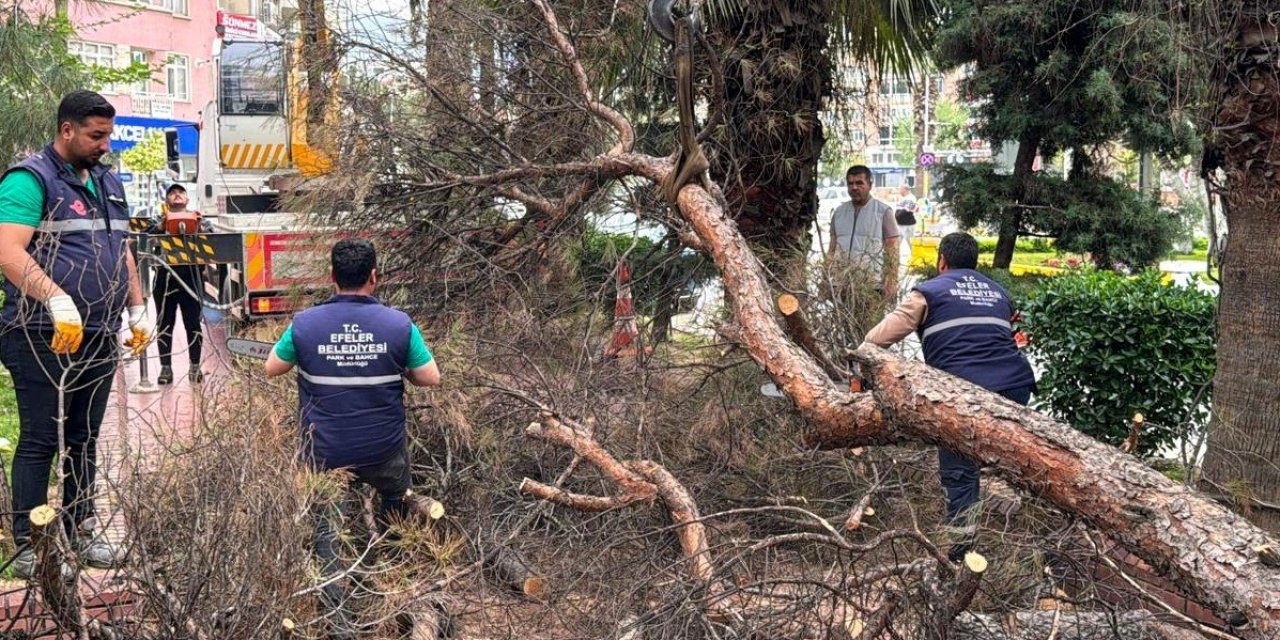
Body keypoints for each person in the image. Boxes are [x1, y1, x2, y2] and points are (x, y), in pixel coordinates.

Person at [0, 90, 153, 578]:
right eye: (96, 135)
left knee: (84, 437)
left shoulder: (107, 180)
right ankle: (27, 545)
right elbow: (7, 251)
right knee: (42, 438)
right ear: (67, 130)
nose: (105, 144)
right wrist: (56, 298)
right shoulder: (30, 180)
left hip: (100, 334)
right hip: (41, 332)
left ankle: (81, 527)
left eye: (107, 134)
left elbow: (119, 247)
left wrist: (137, 306)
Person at [264, 238, 440, 639]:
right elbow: (432, 377)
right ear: (374, 277)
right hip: (383, 450)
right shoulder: (399, 324)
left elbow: (273, 367)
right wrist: (402, 369)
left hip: (325, 454)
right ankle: (394, 580)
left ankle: (339, 624)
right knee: (396, 503)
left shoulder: (305, 324)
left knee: (328, 535)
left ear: (331, 277)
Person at [860, 232, 1035, 562]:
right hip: (1015, 387)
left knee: (960, 472)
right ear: (975, 263)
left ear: (942, 261)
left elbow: (875, 340)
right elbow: (1016, 340)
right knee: (1012, 455)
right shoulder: (999, 292)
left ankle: (960, 555)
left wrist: (860, 369)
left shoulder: (927, 292)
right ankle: (1007, 502)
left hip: (963, 394)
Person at [150, 183, 208, 384]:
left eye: (180, 192)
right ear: (166, 201)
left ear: (187, 199)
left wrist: (198, 227)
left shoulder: (199, 220)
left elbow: (213, 242)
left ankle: (195, 366)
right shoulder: (157, 222)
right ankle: (165, 369)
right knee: (164, 324)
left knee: (193, 324)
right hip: (164, 280)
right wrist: (161, 226)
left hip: (191, 279)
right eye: (172, 193)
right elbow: (145, 238)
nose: (176, 194)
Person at [828, 165, 901, 300]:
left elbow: (893, 251)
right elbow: (832, 249)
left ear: (869, 185)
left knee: (872, 322)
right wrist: (825, 278)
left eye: (859, 183)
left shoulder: (883, 212)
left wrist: (891, 281)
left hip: (872, 286)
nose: (854, 187)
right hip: (842, 285)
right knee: (841, 321)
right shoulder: (838, 213)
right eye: (851, 183)